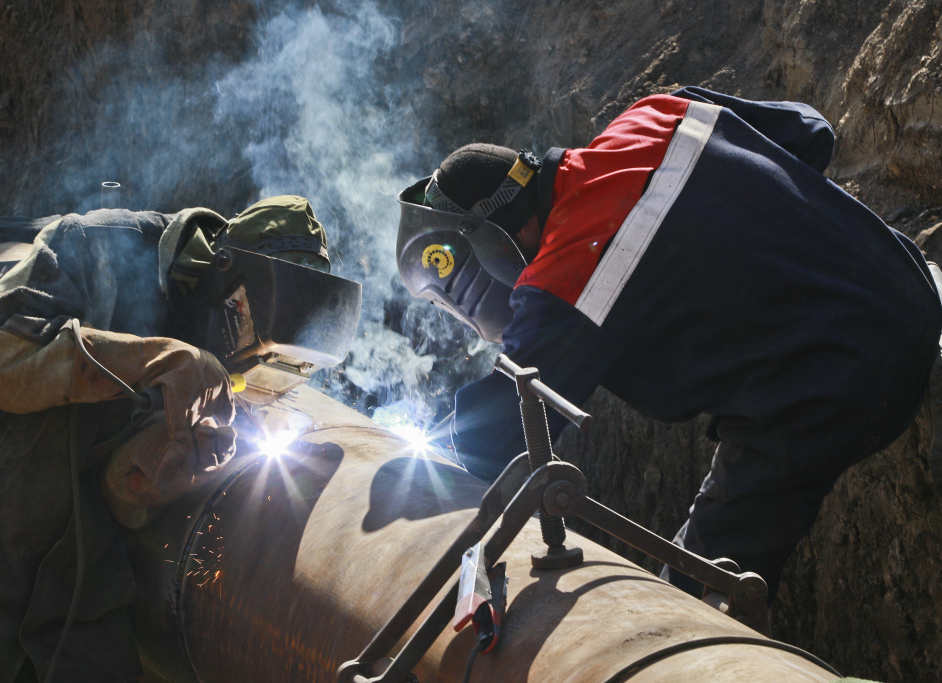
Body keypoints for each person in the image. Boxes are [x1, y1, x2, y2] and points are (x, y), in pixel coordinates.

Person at [396, 86, 942, 604]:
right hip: (911, 282)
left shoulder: (566, 278)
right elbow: (809, 130)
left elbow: (495, 438)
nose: (475, 325)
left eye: (464, 307)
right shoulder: (653, 114)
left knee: (695, 586)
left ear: (490, 248)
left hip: (845, 374)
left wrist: (402, 469)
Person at [0, 196, 332, 681]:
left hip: (74, 618)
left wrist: (157, 478)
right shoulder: (94, 246)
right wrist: (152, 359)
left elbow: (118, 496)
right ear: (224, 277)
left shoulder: (233, 339)